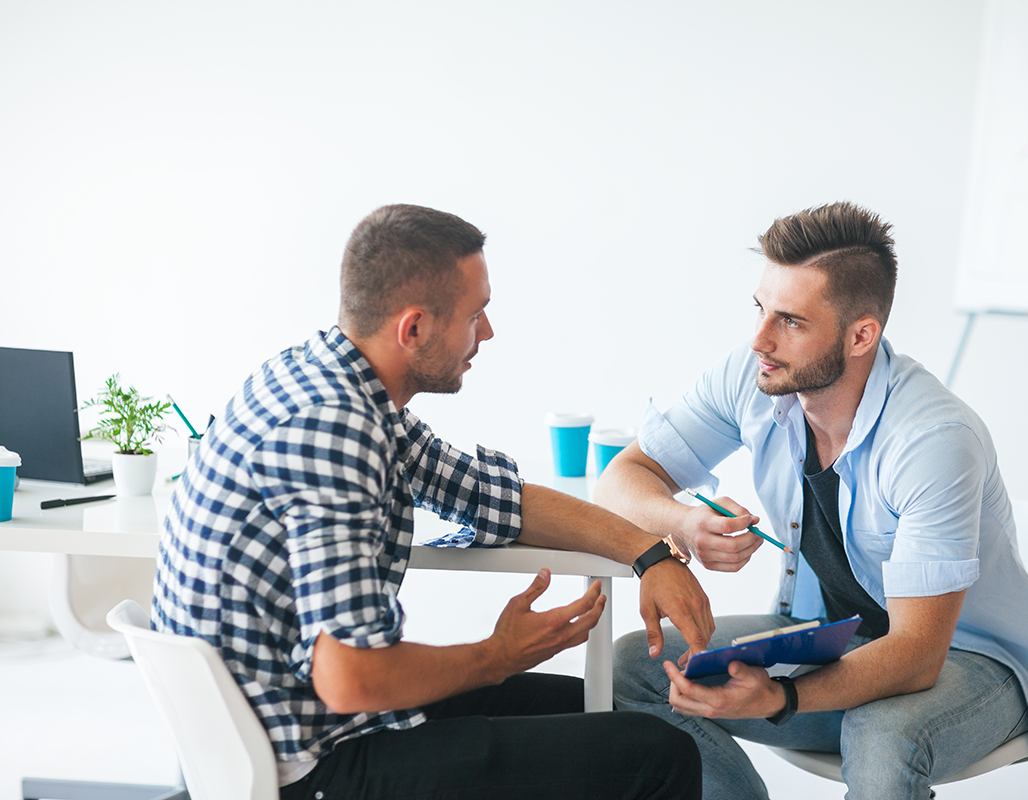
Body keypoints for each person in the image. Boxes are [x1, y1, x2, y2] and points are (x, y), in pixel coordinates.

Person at [152, 204, 714, 800]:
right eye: (477, 315)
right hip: (309, 764)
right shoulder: (335, 431)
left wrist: (649, 554)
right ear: (413, 328)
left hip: (301, 723)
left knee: (604, 707)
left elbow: (491, 498)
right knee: (658, 755)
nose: (488, 333)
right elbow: (350, 679)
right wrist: (497, 655)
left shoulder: (330, 382)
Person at [594, 201, 1028, 800]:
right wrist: (683, 521)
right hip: (835, 635)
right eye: (760, 309)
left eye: (791, 321)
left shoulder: (933, 442)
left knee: (881, 729)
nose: (760, 339)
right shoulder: (753, 375)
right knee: (634, 666)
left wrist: (784, 696)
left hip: (976, 662)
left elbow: (915, 656)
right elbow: (622, 480)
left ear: (862, 334)